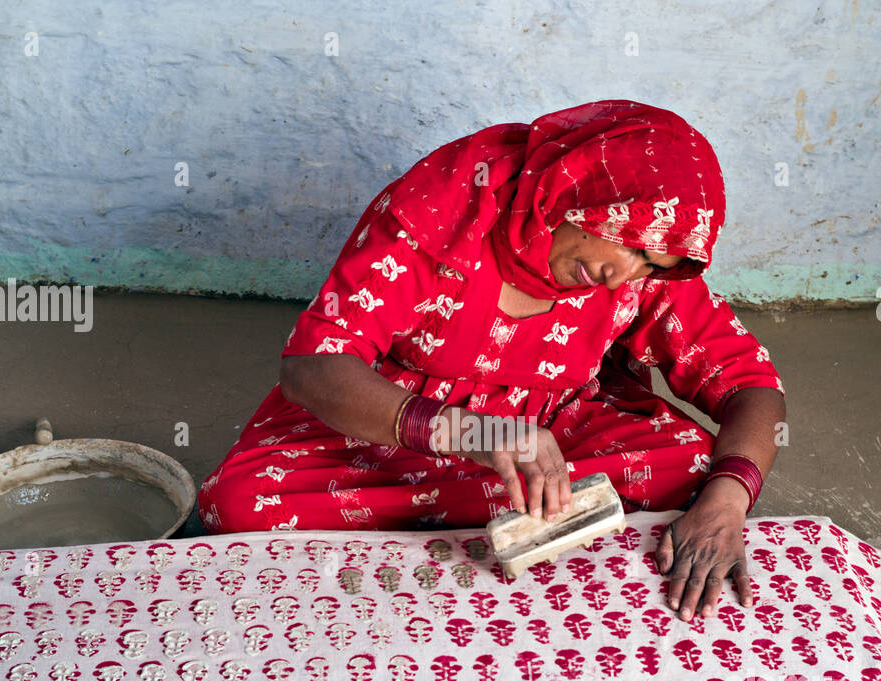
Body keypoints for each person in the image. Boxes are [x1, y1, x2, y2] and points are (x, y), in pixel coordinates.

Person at [198, 100, 786, 622]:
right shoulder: (444, 210)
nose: (622, 274)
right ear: (580, 188)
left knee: (699, 468)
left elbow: (749, 382)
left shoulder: (644, 271)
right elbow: (313, 366)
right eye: (626, 241)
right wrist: (469, 430)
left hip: (551, 434)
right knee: (240, 502)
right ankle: (493, 514)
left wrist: (729, 499)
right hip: (401, 425)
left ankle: (448, 518)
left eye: (651, 264)